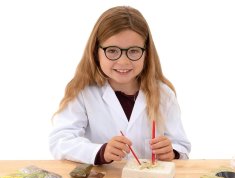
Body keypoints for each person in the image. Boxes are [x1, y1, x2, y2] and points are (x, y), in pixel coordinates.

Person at [49, 6, 191, 165]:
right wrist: (100, 151)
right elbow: (61, 142)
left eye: (134, 51)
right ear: (96, 52)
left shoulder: (164, 94)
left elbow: (182, 146)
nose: (123, 61)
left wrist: (172, 151)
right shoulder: (83, 92)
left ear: (146, 52)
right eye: (112, 50)